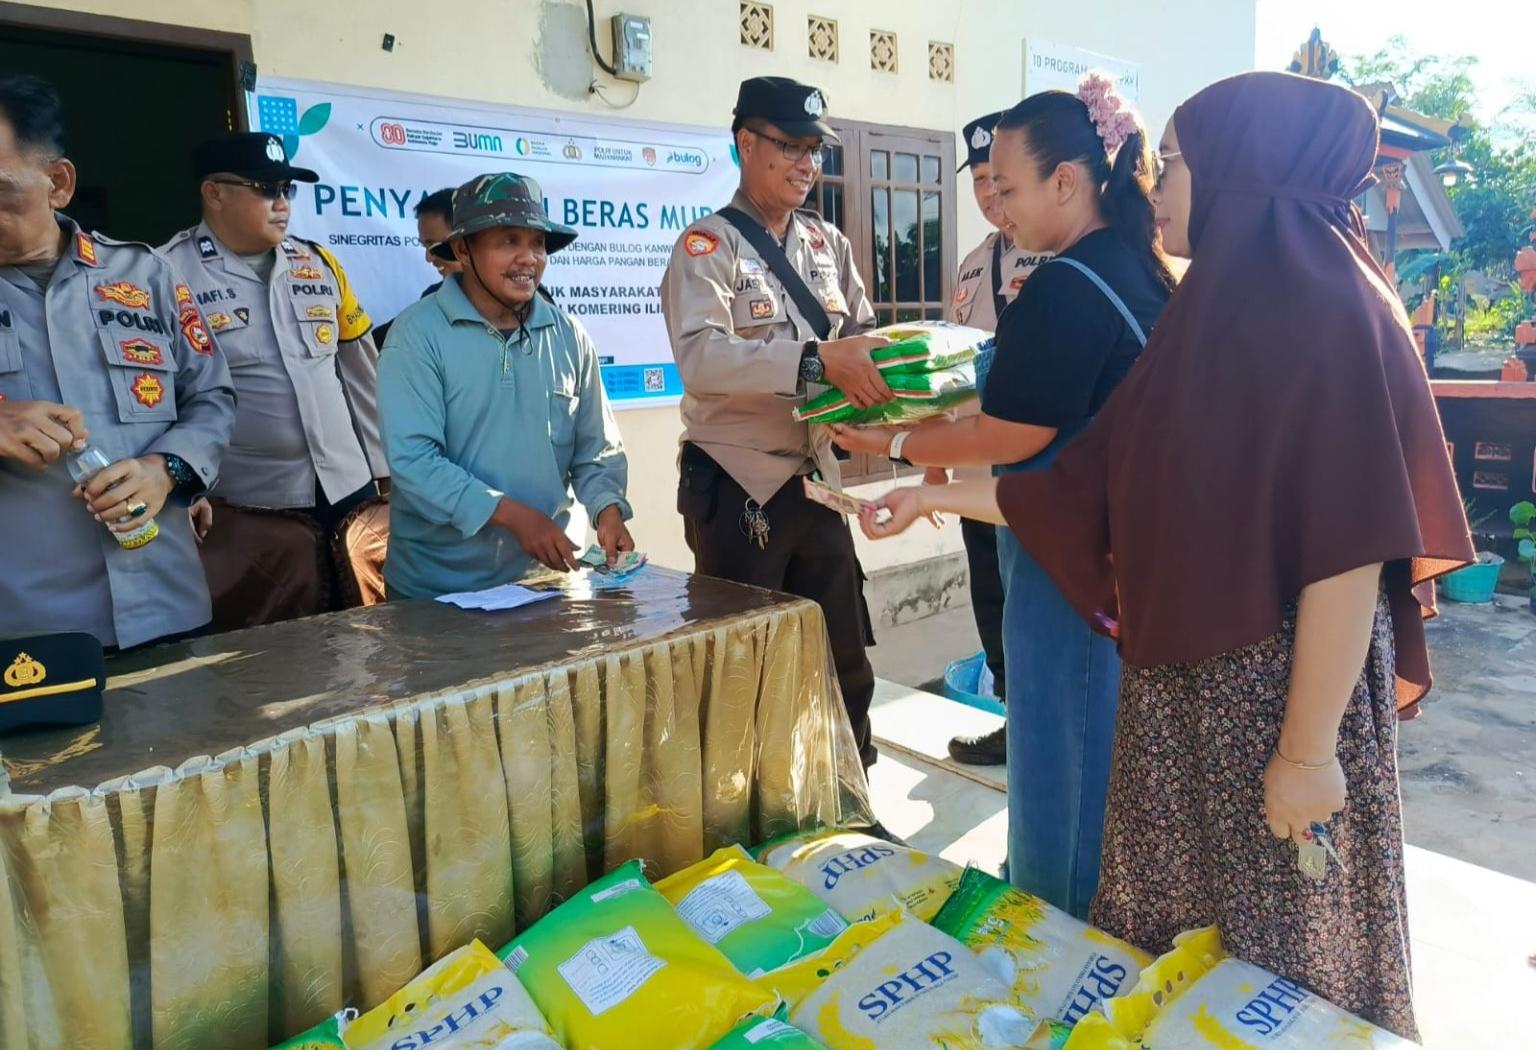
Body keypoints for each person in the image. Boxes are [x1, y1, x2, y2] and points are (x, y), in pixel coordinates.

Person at [857, 72, 1473, 1039]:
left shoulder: (1324, 312)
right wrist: (927, 489)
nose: (1153, 181)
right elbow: (1087, 482)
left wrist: (1308, 754)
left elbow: (1348, 559)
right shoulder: (1213, 303)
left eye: (1177, 162)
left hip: (1270, 709)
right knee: (1185, 970)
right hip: (1189, 706)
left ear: (1245, 171)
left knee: (1280, 967)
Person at [834, 76, 1175, 914]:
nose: (999, 204)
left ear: (1069, 181)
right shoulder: (1139, 269)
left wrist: (896, 445)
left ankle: (1058, 935)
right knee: (1094, 754)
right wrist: (930, 484)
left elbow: (1011, 435)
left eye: (1009, 186)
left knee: (1060, 756)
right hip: (1108, 553)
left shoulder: (1070, 284)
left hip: (1068, 568)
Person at [660, 76, 892, 770]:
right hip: (739, 485)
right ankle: (749, 813)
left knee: (842, 655)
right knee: (744, 666)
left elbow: (863, 335)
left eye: (813, 150)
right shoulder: (708, 247)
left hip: (816, 481)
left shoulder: (827, 244)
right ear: (745, 143)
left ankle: (850, 796)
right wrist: (820, 362)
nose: (805, 164)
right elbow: (703, 358)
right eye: (789, 146)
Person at [0, 75, 235, 649]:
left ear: (57, 182)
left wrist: (167, 470)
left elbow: (212, 397)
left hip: (167, 600)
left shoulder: (144, 275)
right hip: (28, 625)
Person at [162, 132, 387, 625]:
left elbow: (361, 374)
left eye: (288, 189)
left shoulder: (320, 264)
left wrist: (385, 475)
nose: (282, 203)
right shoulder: (165, 275)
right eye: (266, 189)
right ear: (214, 193)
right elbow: (158, 399)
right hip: (250, 504)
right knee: (276, 648)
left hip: (347, 490)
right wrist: (181, 488)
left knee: (371, 633)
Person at [377, 171, 633, 598]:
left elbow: (596, 449)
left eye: (537, 243)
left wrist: (608, 510)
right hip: (440, 592)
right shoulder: (416, 335)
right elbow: (415, 462)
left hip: (550, 582)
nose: (528, 258)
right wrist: (513, 515)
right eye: (508, 241)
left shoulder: (569, 335)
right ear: (462, 248)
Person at [934, 109, 1053, 766]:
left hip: (1037, 467)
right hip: (978, 463)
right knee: (992, 592)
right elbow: (956, 371)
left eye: (995, 179)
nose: (987, 194)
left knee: (1041, 596)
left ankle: (1049, 721)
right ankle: (1012, 716)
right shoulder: (974, 265)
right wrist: (933, 466)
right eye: (978, 180)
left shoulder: (1059, 253)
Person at [374, 187, 460, 347]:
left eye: (435, 245)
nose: (428, 257)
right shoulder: (434, 298)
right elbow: (377, 344)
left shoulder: (516, 303)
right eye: (425, 246)